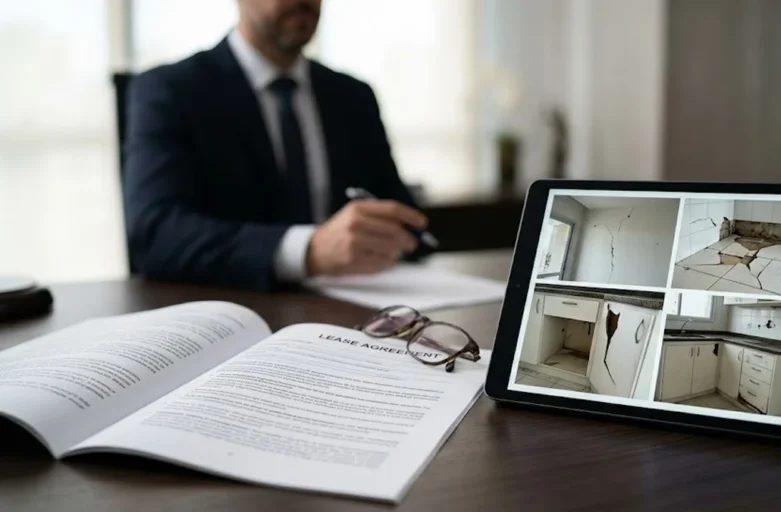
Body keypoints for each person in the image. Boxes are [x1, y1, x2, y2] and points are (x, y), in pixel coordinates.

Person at [122, 0, 431, 292]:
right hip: (230, 317)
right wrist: (308, 250)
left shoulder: (353, 97)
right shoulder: (169, 91)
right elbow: (154, 234)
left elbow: (403, 218)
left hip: (353, 313)